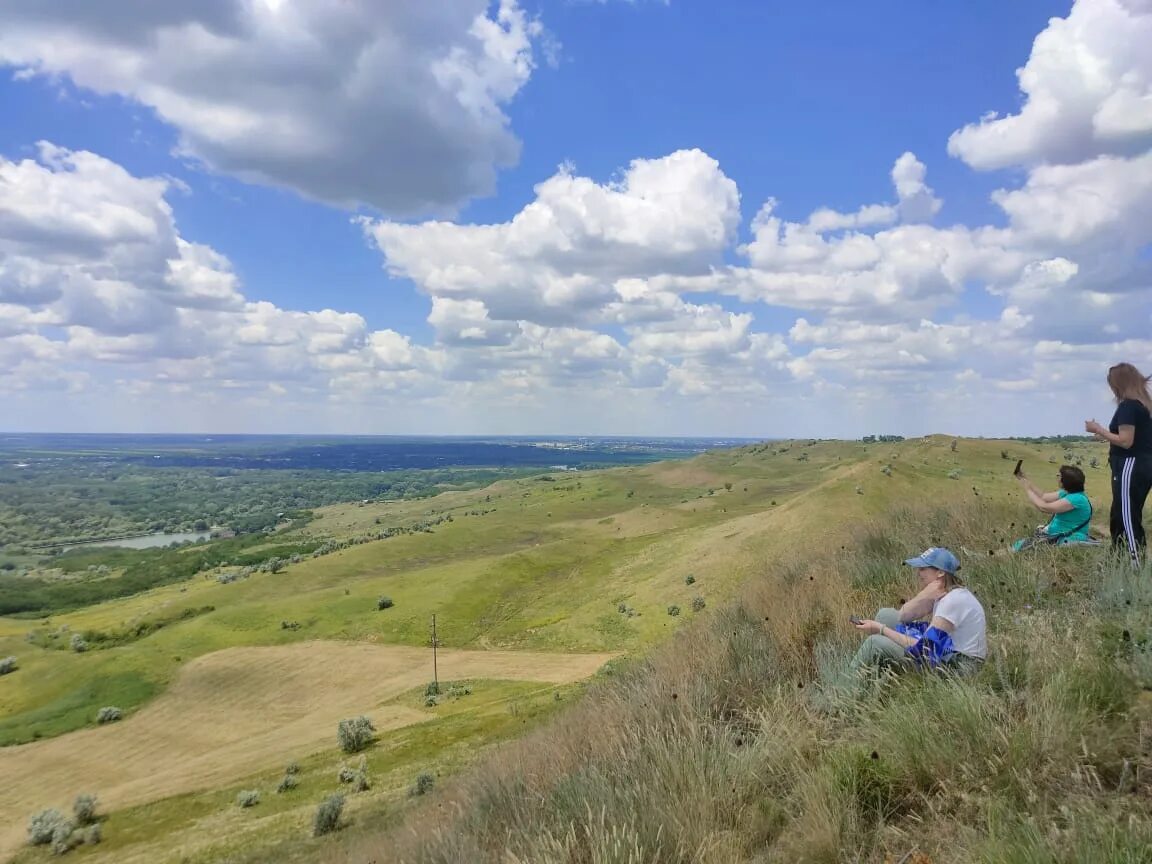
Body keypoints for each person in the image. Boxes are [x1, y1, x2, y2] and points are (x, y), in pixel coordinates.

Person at [846, 547, 986, 687]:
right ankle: (871, 682)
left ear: (940, 572)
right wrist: (925, 595)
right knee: (885, 615)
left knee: (875, 643)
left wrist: (881, 629)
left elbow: (924, 650)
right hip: (945, 652)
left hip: (957, 668)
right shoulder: (946, 592)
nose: (918, 573)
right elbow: (903, 616)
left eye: (923, 569)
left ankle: (839, 697)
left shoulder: (951, 602)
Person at [1085, 363, 1152, 566]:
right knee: (1121, 512)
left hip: (1129, 465)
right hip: (1141, 464)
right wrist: (1105, 436)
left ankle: (1134, 563)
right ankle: (1119, 559)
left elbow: (1126, 441)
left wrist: (1098, 428)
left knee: (1127, 515)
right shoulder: (1143, 406)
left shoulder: (1128, 406)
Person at [1011, 465, 1093, 550]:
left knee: (1022, 546)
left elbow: (1043, 507)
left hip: (1067, 538)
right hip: (1057, 535)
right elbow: (1043, 496)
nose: (1057, 477)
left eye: (1059, 476)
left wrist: (1027, 489)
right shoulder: (1067, 493)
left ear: (1066, 481)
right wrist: (1024, 479)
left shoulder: (1077, 499)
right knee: (1022, 545)